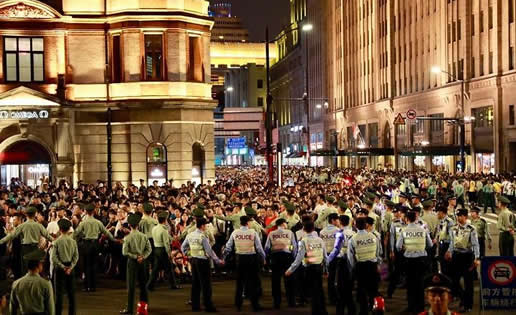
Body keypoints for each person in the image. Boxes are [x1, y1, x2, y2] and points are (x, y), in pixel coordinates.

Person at [223, 215, 265, 312]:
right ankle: (255, 305)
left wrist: (224, 258)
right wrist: (263, 258)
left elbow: (228, 247)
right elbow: (259, 248)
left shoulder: (235, 232)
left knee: (240, 282)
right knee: (253, 282)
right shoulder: (253, 232)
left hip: (239, 258)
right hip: (251, 258)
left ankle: (238, 304)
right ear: (247, 223)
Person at [286, 220, 328, 315]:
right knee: (320, 290)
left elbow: (299, 257)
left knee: (313, 291)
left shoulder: (303, 241)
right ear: (313, 229)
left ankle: (315, 311)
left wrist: (290, 269)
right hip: (319, 267)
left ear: (304, 229)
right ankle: (323, 311)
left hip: (309, 268)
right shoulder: (320, 240)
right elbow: (325, 256)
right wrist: (326, 270)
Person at [181, 217, 223, 312]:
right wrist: (217, 261)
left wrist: (189, 254)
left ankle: (195, 306)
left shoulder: (190, 235)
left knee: (195, 284)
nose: (207, 227)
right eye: (206, 225)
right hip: (203, 261)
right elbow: (209, 251)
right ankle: (208, 306)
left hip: (194, 261)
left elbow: (183, 247)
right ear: (203, 226)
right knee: (206, 284)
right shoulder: (202, 236)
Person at [73, 203, 116, 292]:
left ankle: (86, 285)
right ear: (93, 212)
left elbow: (76, 234)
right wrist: (114, 239)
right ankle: (93, 286)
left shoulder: (83, 223)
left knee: (86, 265)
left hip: (86, 244)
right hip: (95, 244)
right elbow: (106, 232)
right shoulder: (98, 222)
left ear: (86, 211)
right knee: (93, 265)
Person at [396, 211, 433, 314]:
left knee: (410, 284)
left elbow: (398, 247)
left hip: (409, 261)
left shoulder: (404, 231)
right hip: (421, 260)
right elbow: (430, 245)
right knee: (420, 284)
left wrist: (405, 248)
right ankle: (421, 307)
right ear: (416, 219)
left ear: (407, 219)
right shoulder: (423, 230)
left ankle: (411, 306)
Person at [0, 206, 53, 275]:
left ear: (26, 215)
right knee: (35, 268)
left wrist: (1, 241)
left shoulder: (22, 226)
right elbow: (48, 237)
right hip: (35, 248)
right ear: (35, 215)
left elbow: (11, 236)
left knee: (25, 270)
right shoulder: (39, 225)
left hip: (25, 249)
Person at [445, 208, 480, 313]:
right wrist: (448, 252)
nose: (458, 218)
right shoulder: (453, 228)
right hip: (456, 256)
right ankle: (463, 298)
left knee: (468, 282)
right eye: (457, 216)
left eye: (461, 216)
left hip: (467, 257)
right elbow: (452, 242)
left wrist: (477, 258)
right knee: (454, 281)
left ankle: (468, 305)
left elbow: (475, 244)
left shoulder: (471, 229)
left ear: (465, 217)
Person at [348, 217, 381, 315]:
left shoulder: (353, 239)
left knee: (362, 289)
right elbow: (378, 253)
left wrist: (354, 268)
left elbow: (350, 258)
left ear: (355, 225)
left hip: (360, 266)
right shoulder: (374, 237)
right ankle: (375, 309)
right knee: (374, 289)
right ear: (366, 225)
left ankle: (364, 311)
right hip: (372, 265)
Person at [120, 213, 152, 315]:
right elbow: (149, 249)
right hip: (143, 262)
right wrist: (142, 256)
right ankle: (144, 306)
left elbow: (124, 252)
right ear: (138, 225)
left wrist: (135, 257)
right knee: (143, 285)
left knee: (131, 286)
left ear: (129, 225)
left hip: (132, 263)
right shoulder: (144, 236)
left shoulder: (127, 238)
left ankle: (129, 309)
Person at [264, 218, 297, 309]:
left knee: (275, 281)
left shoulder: (271, 234)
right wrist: (294, 258)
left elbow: (267, 247)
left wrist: (266, 258)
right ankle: (291, 302)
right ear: (283, 224)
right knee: (289, 280)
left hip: (275, 258)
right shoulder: (289, 233)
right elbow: (294, 246)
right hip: (287, 257)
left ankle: (277, 303)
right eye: (286, 223)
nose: (286, 224)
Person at [10, 249, 55, 315]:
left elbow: (12, 307)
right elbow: (51, 308)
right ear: (39, 265)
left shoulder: (16, 283)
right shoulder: (46, 283)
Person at [327, 215, 356, 315]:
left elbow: (336, 250)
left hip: (342, 263)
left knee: (341, 289)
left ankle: (340, 311)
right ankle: (352, 310)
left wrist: (327, 260)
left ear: (340, 222)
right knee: (349, 288)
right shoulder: (353, 233)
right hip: (352, 262)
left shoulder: (340, 233)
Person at [51, 219, 79, 315]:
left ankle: (58, 313)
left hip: (60, 269)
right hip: (70, 268)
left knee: (58, 294)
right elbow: (76, 256)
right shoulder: (73, 241)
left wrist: (63, 267)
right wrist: (70, 267)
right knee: (71, 294)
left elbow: (54, 257)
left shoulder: (57, 242)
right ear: (68, 229)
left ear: (60, 229)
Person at [147, 210, 180, 291]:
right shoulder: (164, 230)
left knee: (155, 269)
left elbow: (168, 238)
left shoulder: (154, 228)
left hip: (156, 249)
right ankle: (173, 285)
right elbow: (166, 243)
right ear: (165, 220)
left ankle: (150, 286)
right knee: (169, 268)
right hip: (163, 250)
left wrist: (173, 239)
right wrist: (169, 253)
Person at [318, 213, 340, 305]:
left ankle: (331, 297)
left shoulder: (322, 232)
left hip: (326, 255)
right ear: (333, 220)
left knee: (330, 277)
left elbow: (321, 245)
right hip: (335, 256)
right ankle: (335, 297)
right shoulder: (338, 231)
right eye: (337, 220)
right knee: (335, 277)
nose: (338, 221)